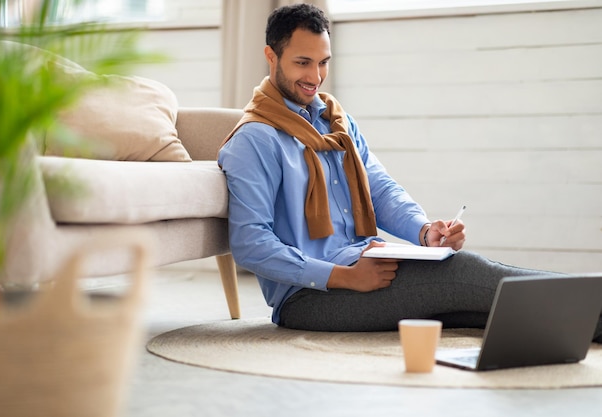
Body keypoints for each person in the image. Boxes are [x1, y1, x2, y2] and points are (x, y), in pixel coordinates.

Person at [218, 3, 602, 340]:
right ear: (271, 56)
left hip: (366, 260)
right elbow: (250, 244)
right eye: (303, 62)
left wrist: (423, 231)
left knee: (474, 308)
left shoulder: (335, 121)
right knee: (462, 273)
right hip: (308, 297)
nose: (316, 77)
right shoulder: (255, 139)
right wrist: (345, 276)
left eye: (323, 63)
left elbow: (378, 188)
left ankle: (593, 320)